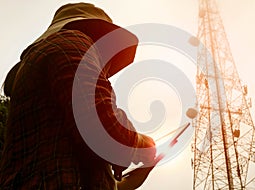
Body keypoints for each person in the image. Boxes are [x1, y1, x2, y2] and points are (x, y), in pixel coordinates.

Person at [0, 3, 156, 190]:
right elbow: (101, 127)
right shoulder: (73, 41)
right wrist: (140, 144)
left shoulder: (52, 56)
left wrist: (133, 175)